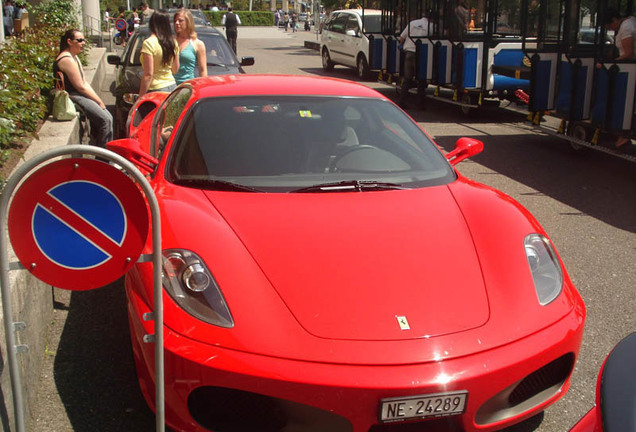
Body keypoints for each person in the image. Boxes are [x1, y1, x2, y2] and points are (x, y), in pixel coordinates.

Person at [53, 29, 113, 147]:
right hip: (72, 96)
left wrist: (98, 101)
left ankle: (101, 151)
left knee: (107, 117)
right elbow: (80, 87)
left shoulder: (73, 57)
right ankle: (104, 160)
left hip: (78, 95)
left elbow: (84, 83)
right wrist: (99, 102)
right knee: (106, 120)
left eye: (83, 40)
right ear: (69, 42)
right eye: (79, 40)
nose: (83, 43)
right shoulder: (66, 59)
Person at [603, 9, 635, 147]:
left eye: (610, 26)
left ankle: (626, 132)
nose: (611, 29)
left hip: (629, 69)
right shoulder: (630, 22)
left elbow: (628, 53)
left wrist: (613, 62)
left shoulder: (627, 27)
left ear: (615, 20)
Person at [139, 11, 179, 96]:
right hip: (172, 86)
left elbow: (148, 74)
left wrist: (141, 96)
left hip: (155, 89)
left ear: (151, 24)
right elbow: (175, 69)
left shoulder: (148, 43)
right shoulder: (173, 42)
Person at [398, 13, 430, 109]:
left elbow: (402, 37)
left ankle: (401, 101)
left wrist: (402, 46)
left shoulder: (412, 23)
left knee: (407, 78)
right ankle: (420, 103)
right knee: (421, 79)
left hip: (408, 53)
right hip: (420, 54)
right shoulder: (430, 26)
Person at [173, 9, 207, 85]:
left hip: (187, 86)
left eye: (180, 21)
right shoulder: (171, 41)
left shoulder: (197, 44)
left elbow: (203, 70)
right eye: (175, 21)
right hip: (170, 86)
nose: (177, 23)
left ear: (188, 22)